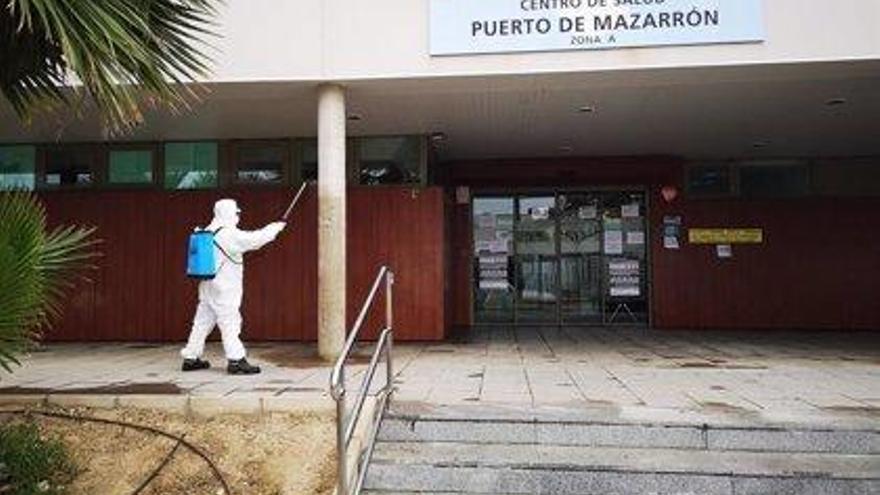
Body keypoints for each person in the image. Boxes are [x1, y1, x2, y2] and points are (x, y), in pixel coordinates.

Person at [180, 198, 286, 374]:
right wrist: (275, 227)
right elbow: (256, 239)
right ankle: (236, 360)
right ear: (228, 212)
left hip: (207, 285)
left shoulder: (208, 230)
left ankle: (191, 357)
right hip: (225, 287)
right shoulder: (228, 234)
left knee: (201, 322)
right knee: (230, 322)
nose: (238, 215)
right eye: (236, 212)